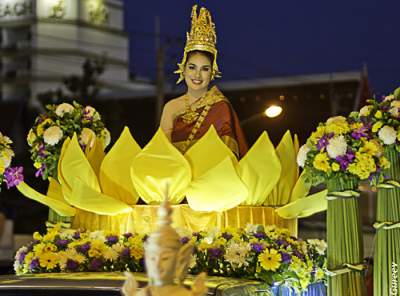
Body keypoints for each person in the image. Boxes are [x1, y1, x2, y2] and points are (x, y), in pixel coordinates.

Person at [160, 5, 248, 158]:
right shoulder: (171, 107)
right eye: (192, 67)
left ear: (212, 72)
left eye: (205, 69)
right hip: (178, 178)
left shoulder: (221, 108)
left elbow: (228, 155)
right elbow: (162, 153)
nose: (197, 75)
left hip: (212, 178)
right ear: (184, 69)